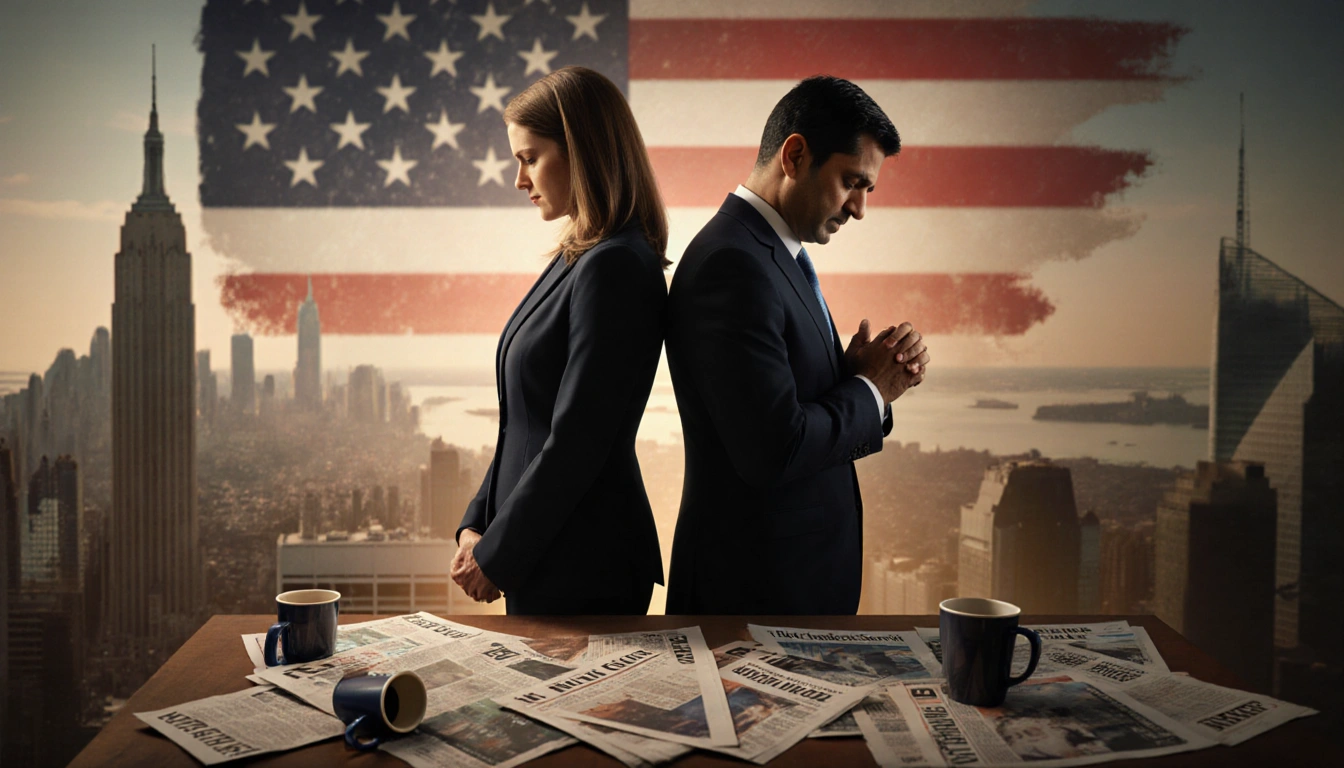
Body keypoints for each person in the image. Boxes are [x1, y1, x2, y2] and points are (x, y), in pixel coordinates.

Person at [665, 75, 929, 615]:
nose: (859, 208)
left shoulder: (770, 253)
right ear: (795, 155)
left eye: (868, 190)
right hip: (752, 596)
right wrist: (871, 389)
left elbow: (780, 406)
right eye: (852, 182)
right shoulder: (732, 264)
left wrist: (848, 375)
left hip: (783, 590)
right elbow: (773, 448)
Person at [450, 67, 668, 615]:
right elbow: (523, 424)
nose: (519, 180)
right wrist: (477, 524)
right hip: (550, 557)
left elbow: (578, 439)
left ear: (583, 151)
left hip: (584, 565)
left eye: (529, 158)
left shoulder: (615, 265)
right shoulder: (581, 256)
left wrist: (498, 555)